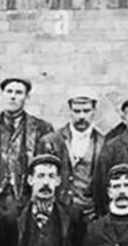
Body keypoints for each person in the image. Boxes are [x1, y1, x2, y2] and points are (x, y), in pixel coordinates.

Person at [0, 76, 56, 212]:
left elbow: (46, 167)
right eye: (9, 92)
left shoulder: (42, 128)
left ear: (26, 97)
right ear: (3, 94)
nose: (13, 97)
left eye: (18, 93)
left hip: (27, 200)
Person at [38, 89, 105, 220]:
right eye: (77, 111)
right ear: (69, 111)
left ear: (94, 112)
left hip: (90, 214)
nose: (81, 116)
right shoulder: (51, 141)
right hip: (58, 214)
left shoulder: (104, 144)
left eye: (86, 111)